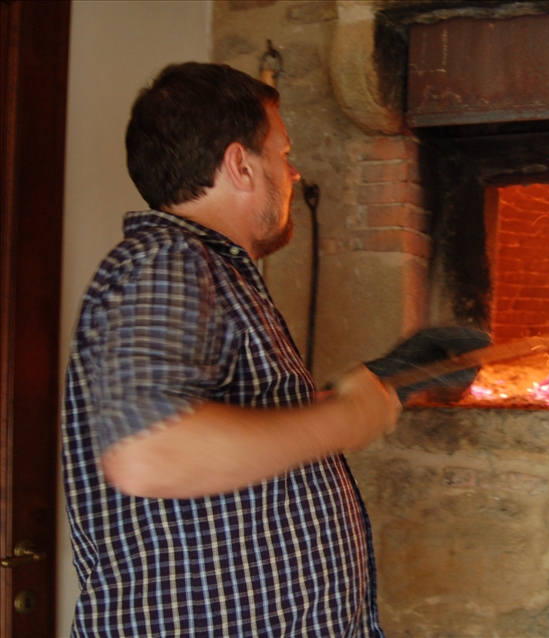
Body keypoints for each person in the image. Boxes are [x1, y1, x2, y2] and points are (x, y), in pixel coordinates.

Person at [61, 62, 401, 636]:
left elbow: (214, 434)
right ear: (241, 164)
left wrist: (326, 402)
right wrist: (345, 421)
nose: (293, 174)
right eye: (283, 153)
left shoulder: (211, 272)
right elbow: (149, 450)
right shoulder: (169, 262)